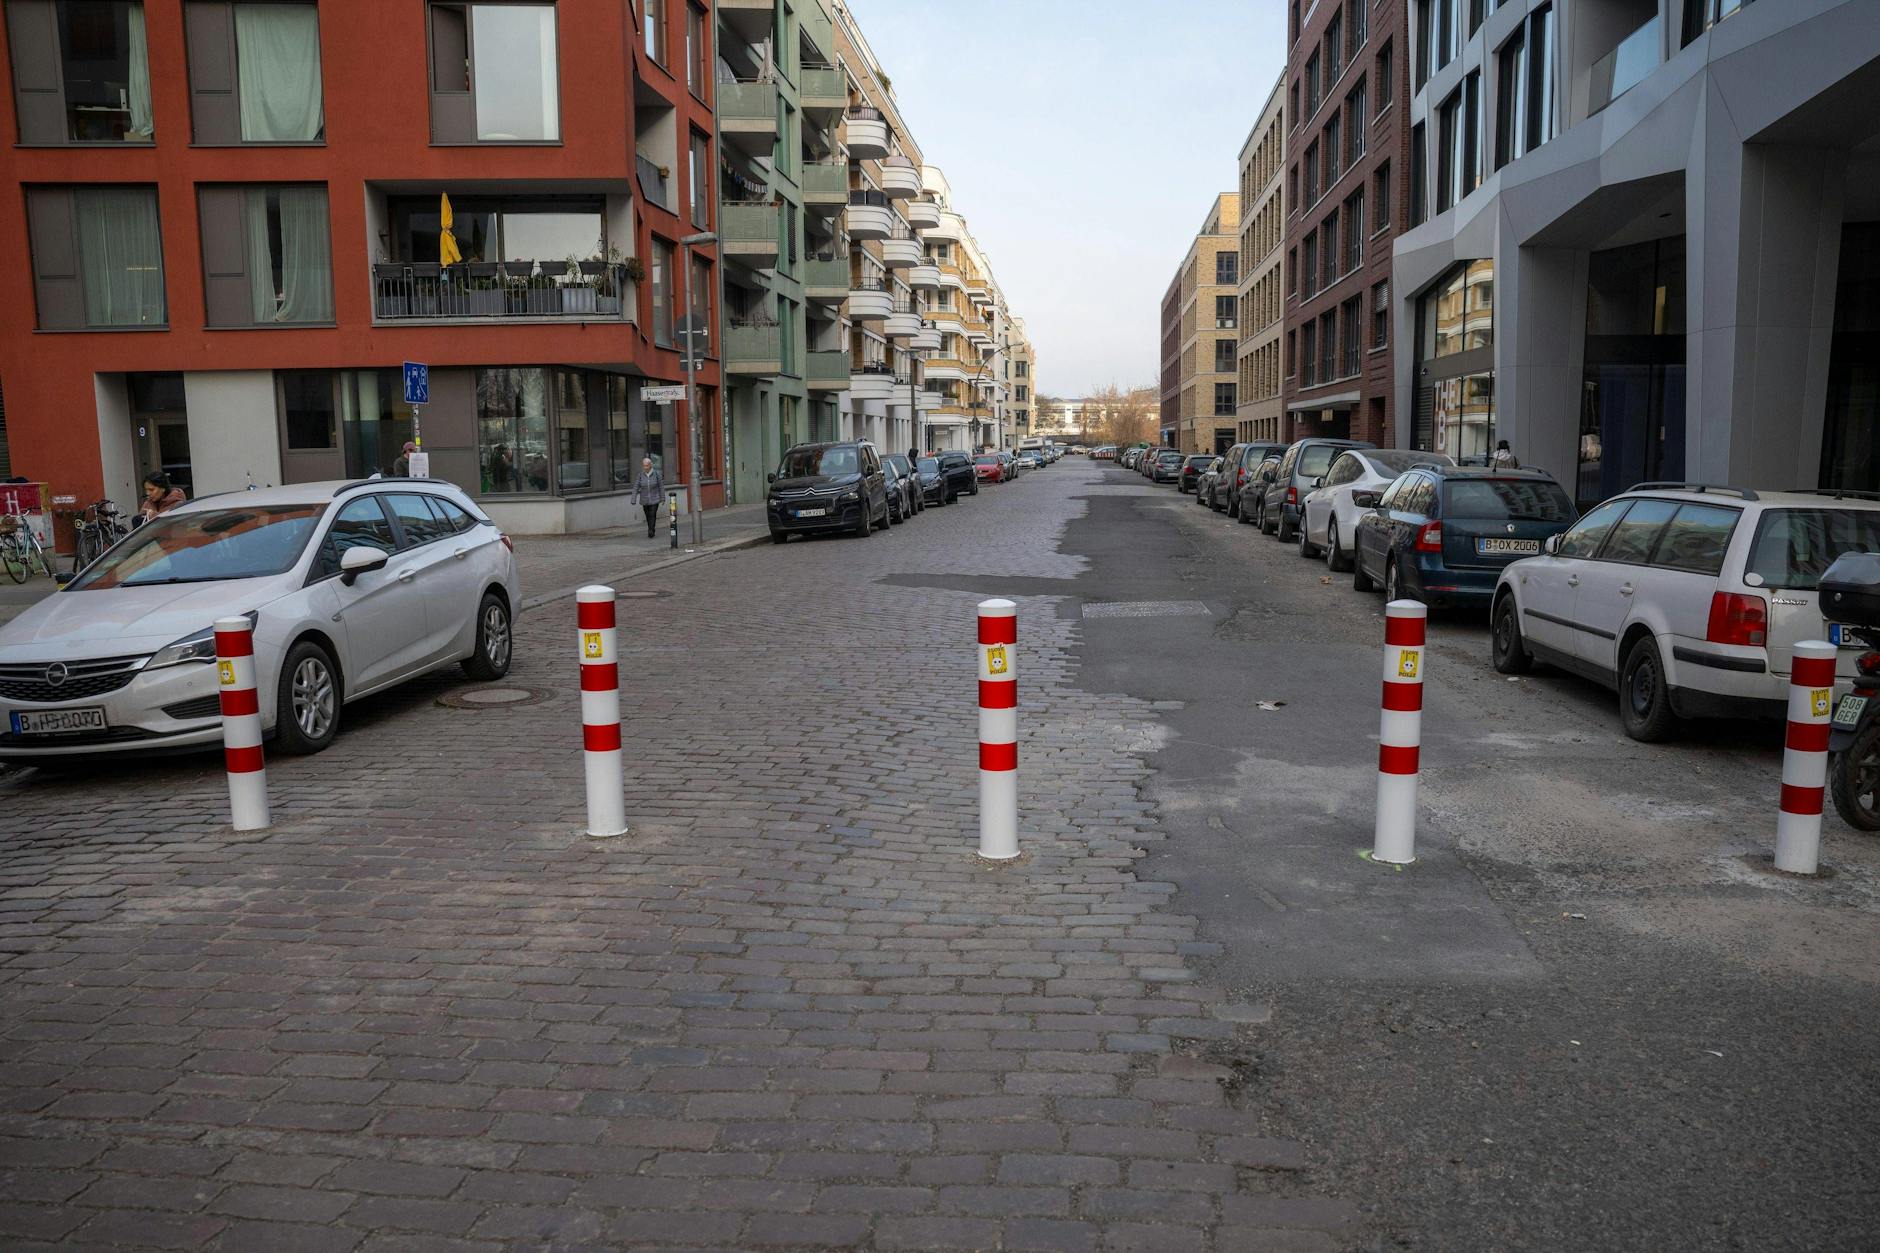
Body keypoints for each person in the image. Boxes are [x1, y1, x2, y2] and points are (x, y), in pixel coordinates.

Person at [633, 457, 664, 539]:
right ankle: (650, 528)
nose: (645, 467)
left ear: (650, 465)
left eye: (646, 466)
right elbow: (636, 486)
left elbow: (661, 487)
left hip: (655, 499)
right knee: (647, 516)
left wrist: (662, 498)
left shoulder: (657, 474)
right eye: (644, 466)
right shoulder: (640, 475)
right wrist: (633, 498)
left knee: (652, 514)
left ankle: (651, 530)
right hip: (645, 499)